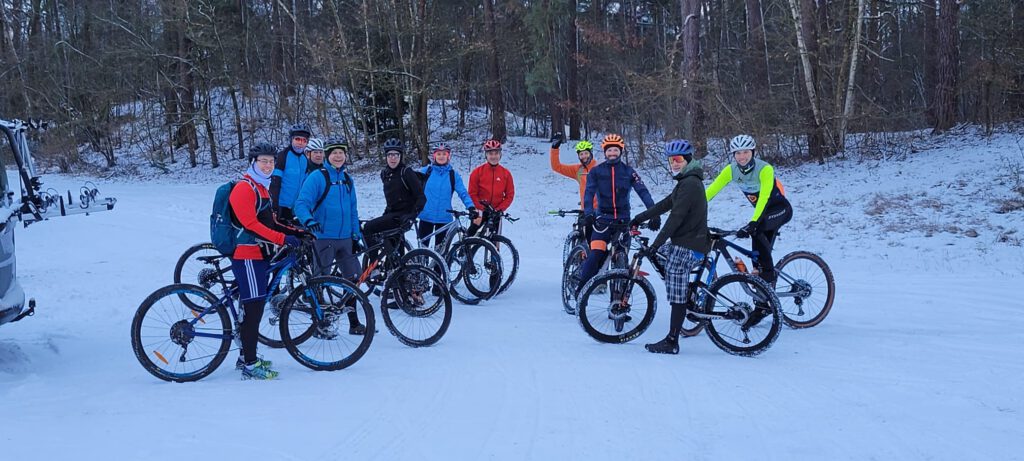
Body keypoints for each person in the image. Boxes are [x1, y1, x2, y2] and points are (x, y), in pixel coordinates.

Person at [229, 142, 306, 380]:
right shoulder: (245, 188)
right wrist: (283, 239)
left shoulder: (262, 188)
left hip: (259, 255)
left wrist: (298, 232)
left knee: (251, 308)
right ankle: (250, 365)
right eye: (263, 161)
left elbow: (271, 222)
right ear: (253, 162)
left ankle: (245, 356)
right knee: (254, 310)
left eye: (271, 162)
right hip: (247, 256)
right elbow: (251, 225)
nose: (268, 165)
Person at [629, 140, 711, 355]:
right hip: (683, 241)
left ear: (688, 160)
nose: (674, 163)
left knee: (675, 287)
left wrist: (655, 244)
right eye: (671, 160)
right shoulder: (685, 181)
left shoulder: (690, 183)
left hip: (689, 245)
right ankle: (685, 292)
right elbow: (666, 204)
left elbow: (675, 218)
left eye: (678, 159)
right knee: (660, 257)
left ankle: (672, 340)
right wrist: (639, 217)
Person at [293, 137, 366, 335]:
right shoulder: (317, 177)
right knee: (320, 281)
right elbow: (301, 204)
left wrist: (355, 235)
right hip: (323, 237)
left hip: (345, 238)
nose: (338, 156)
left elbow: (352, 209)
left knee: (353, 280)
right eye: (334, 153)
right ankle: (318, 324)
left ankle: (354, 323)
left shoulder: (347, 179)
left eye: (341, 153)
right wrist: (309, 221)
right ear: (327, 156)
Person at [705, 134, 792, 290]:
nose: (742, 156)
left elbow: (764, 198)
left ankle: (768, 276)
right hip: (762, 213)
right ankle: (759, 279)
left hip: (780, 210)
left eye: (745, 152)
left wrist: (753, 222)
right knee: (758, 241)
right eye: (738, 153)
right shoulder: (731, 170)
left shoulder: (764, 169)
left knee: (757, 229)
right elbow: (710, 191)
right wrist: (693, 206)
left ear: (753, 152)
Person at [575, 134, 659, 292]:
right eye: (609, 150)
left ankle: (619, 300)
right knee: (596, 253)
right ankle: (581, 289)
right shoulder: (596, 171)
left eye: (615, 150)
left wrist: (653, 212)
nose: (612, 153)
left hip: (623, 222)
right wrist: (589, 213)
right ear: (605, 152)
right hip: (602, 221)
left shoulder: (629, 172)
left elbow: (643, 192)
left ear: (621, 151)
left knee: (622, 258)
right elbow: (588, 194)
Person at [363, 138, 425, 262]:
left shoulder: (406, 172)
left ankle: (373, 265)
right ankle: (397, 269)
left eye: (396, 155)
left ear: (400, 156)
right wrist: (385, 213)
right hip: (392, 214)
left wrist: (412, 215)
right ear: (386, 157)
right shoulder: (385, 174)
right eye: (390, 155)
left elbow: (421, 198)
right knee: (394, 247)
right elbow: (392, 199)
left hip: (403, 217)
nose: (393, 158)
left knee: (368, 228)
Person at [417, 143, 476, 249]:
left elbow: (463, 193)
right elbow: (412, 187)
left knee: (440, 253)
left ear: (448, 156)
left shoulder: (453, 175)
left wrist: (471, 206)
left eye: (444, 154)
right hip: (426, 216)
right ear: (434, 156)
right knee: (422, 251)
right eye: (439, 154)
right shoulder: (426, 172)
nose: (441, 156)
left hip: (444, 219)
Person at [550, 134, 599, 239]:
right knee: (584, 238)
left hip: (599, 210)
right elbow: (556, 167)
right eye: (581, 154)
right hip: (585, 210)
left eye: (586, 153)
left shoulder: (599, 168)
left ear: (591, 153)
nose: (584, 156)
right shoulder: (579, 170)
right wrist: (555, 148)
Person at [467, 139, 515, 236]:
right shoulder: (477, 172)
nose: (493, 156)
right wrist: (480, 208)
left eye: (496, 153)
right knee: (471, 238)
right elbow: (472, 193)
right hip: (480, 211)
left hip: (496, 212)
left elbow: (510, 195)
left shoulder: (506, 173)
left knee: (494, 240)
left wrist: (500, 209)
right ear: (486, 155)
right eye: (490, 154)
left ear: (500, 155)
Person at [270, 123, 313, 221]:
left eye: (304, 140)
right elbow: (275, 183)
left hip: (296, 207)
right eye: (297, 139)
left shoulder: (305, 159)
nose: (300, 143)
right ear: (291, 139)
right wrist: (274, 206)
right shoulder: (283, 156)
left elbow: (305, 185)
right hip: (281, 206)